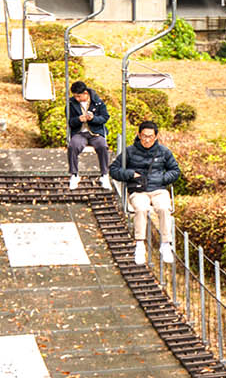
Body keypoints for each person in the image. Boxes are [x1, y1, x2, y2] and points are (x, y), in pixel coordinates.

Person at [109, 120, 180, 267]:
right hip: (139, 190)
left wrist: (162, 179)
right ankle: (140, 243)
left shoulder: (164, 152)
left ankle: (166, 243)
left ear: (156, 136)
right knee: (141, 209)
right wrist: (130, 174)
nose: (147, 140)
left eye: (150, 136)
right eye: (144, 136)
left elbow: (175, 171)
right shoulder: (129, 152)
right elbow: (114, 170)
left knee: (164, 208)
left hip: (158, 189)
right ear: (139, 135)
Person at [65, 81, 111, 190]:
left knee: (103, 146)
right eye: (75, 96)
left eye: (79, 96)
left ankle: (104, 174)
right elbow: (70, 122)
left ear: (85, 93)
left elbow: (105, 117)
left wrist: (93, 119)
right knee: (73, 146)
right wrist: (78, 120)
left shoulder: (97, 102)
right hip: (80, 132)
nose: (77, 99)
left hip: (95, 133)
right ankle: (74, 174)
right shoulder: (71, 104)